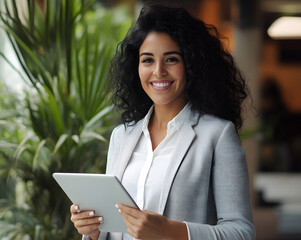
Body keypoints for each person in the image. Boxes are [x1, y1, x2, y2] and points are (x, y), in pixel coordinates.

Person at [70, 3, 255, 240]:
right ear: (136, 67)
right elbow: (111, 230)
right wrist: (93, 231)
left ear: (191, 65)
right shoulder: (122, 136)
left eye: (171, 60)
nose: (158, 71)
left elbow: (241, 232)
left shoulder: (217, 135)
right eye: (147, 60)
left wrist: (170, 231)